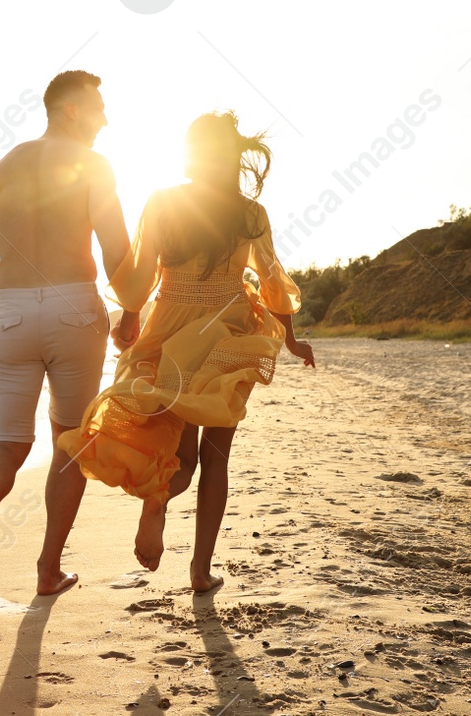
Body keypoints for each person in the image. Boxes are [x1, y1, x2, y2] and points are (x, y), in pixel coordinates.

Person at [56, 111, 314, 593]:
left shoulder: (164, 202)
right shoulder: (249, 213)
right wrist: (292, 337)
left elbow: (140, 277)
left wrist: (131, 320)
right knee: (217, 458)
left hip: (169, 330)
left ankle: (157, 501)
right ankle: (199, 570)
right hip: (226, 337)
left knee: (181, 454)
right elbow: (273, 280)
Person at [0, 70, 133, 610]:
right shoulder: (93, 166)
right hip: (74, 310)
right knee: (71, 443)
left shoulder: (3, 165)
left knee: (6, 446)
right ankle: (48, 569)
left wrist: (11, 300)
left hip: (10, 311)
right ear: (71, 109)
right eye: (99, 108)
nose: (106, 119)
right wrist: (134, 308)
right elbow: (117, 254)